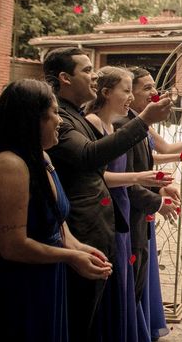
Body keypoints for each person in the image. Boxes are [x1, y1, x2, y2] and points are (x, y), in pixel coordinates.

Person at [0, 78, 112, 342]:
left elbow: (56, 220)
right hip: (15, 288)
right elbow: (13, 246)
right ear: (31, 119)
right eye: (54, 113)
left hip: (44, 278)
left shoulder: (41, 157)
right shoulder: (8, 166)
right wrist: (69, 257)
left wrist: (77, 247)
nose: (61, 121)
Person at [44, 47, 170, 342]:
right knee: (80, 319)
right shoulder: (66, 119)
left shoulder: (73, 115)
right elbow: (90, 157)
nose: (94, 75)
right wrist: (144, 121)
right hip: (81, 228)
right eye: (87, 70)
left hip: (100, 228)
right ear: (64, 78)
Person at [120, 67, 182, 340]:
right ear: (129, 92)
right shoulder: (123, 124)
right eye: (145, 88)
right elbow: (134, 165)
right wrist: (158, 191)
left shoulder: (140, 122)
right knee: (134, 267)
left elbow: (164, 151)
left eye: (153, 87)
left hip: (145, 198)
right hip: (134, 202)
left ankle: (141, 325)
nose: (153, 93)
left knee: (143, 265)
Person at [85, 67, 173, 341]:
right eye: (127, 90)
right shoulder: (109, 125)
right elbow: (98, 173)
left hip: (126, 211)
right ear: (107, 92)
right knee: (122, 283)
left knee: (130, 284)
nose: (129, 98)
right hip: (115, 213)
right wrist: (149, 190)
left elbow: (154, 155)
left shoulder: (115, 124)